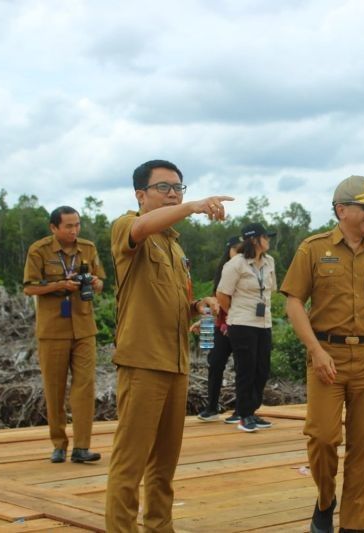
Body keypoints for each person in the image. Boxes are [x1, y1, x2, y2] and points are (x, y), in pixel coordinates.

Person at [281, 175, 364, 533]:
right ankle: (325, 500)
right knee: (323, 437)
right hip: (327, 356)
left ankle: (355, 525)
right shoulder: (313, 249)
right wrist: (315, 349)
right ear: (342, 210)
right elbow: (294, 302)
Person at [104, 159, 232, 532]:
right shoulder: (128, 227)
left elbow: (170, 297)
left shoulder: (174, 248)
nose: (174, 193)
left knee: (163, 466)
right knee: (129, 465)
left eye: (179, 188)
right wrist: (191, 207)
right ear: (140, 194)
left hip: (176, 363)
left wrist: (198, 306)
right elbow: (141, 228)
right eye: (164, 188)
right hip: (143, 363)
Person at [23, 206, 106, 464]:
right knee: (55, 389)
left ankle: (82, 447)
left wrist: (93, 281)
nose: (74, 230)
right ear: (54, 228)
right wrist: (61, 285)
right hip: (53, 330)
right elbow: (29, 288)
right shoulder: (39, 250)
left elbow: (102, 282)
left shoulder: (88, 248)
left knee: (84, 388)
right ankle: (59, 444)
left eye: (77, 225)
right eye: (68, 226)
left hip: (84, 328)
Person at [216, 223, 278, 432]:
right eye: (265, 237)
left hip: (264, 322)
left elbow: (272, 290)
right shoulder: (236, 264)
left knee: (262, 369)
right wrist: (237, 312)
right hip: (242, 323)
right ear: (254, 240)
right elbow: (222, 295)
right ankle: (243, 415)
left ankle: (252, 411)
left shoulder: (270, 262)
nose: (268, 240)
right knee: (246, 369)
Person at [197, 235, 243, 423]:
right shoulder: (223, 270)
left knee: (242, 367)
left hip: (240, 324)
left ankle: (241, 410)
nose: (239, 254)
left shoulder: (247, 269)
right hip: (220, 326)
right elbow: (213, 300)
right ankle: (212, 407)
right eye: (236, 250)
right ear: (229, 250)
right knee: (215, 363)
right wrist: (204, 322)